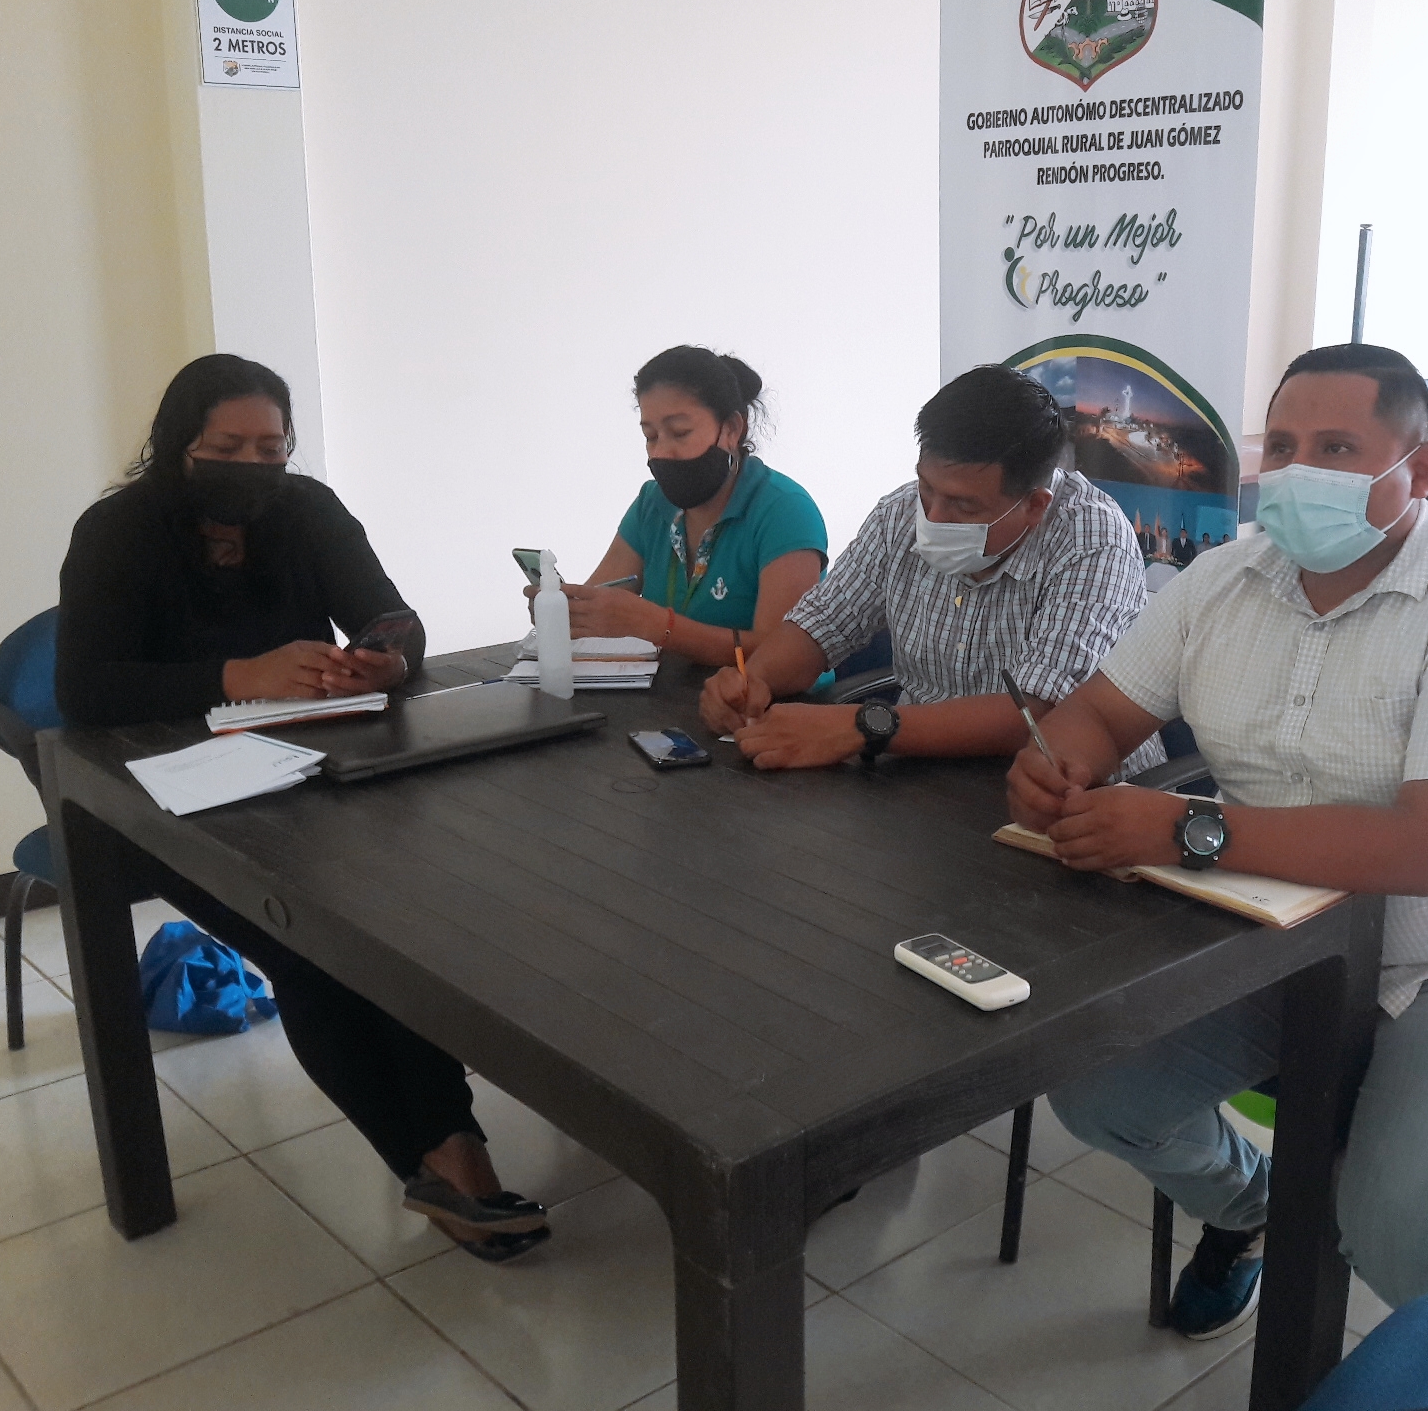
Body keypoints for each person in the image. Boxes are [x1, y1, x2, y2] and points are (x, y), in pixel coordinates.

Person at [1006, 342, 1428, 1337]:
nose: (1295, 472)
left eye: (1335, 448)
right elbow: (1102, 713)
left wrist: (1184, 828)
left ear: (1420, 469)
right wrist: (1056, 761)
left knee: (1416, 1235)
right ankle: (1258, 1209)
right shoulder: (1218, 581)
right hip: (1281, 926)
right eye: (1281, 445)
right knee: (1098, 1090)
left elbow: (1423, 853)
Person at [57, 354, 550, 1263]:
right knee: (310, 950)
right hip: (175, 793)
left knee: (394, 926)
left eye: (270, 448)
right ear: (178, 444)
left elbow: (393, 618)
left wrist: (385, 657)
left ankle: (450, 1156)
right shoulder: (116, 532)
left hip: (315, 771)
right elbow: (85, 689)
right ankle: (447, 1159)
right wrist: (236, 675)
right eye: (227, 447)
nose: (253, 466)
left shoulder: (308, 511)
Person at [699, 364, 1159, 771]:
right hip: (919, 772)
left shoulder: (1092, 540)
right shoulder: (900, 514)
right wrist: (752, 682)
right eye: (926, 487)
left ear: (1035, 506)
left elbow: (1035, 715)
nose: (933, 517)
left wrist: (863, 726)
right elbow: (823, 624)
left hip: (1072, 793)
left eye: (964, 505)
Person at [546, 346, 827, 667]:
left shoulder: (785, 511)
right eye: (651, 436)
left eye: (680, 433)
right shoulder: (652, 503)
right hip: (667, 691)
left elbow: (784, 656)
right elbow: (599, 599)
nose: (660, 452)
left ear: (731, 429)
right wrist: (564, 611)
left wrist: (658, 626)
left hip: (769, 698)